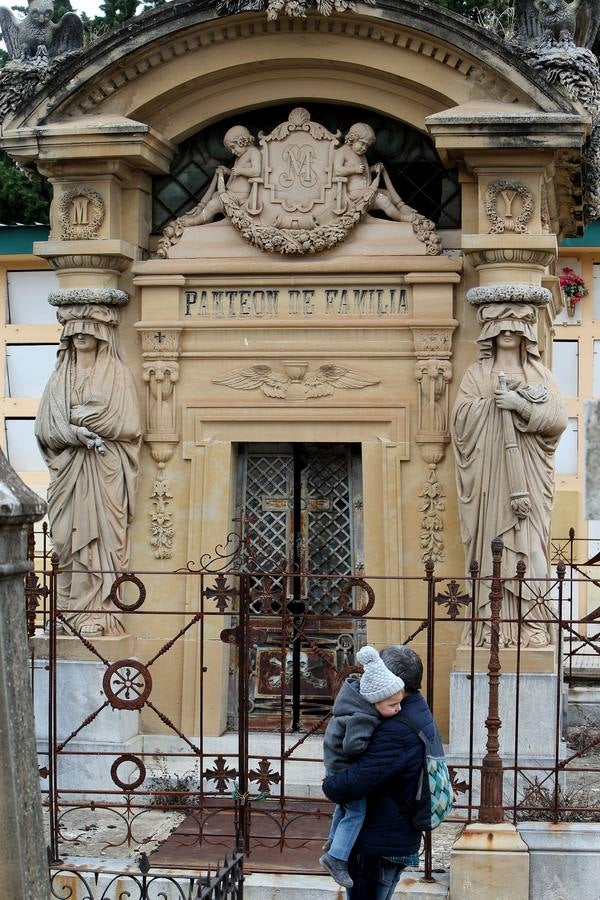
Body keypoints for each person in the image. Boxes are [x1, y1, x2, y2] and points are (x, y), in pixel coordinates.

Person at [451, 301, 567, 647]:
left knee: (529, 548)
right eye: (500, 326)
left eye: (515, 327)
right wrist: (490, 407)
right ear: (489, 332)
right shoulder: (476, 374)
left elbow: (558, 420)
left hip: (528, 476)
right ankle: (492, 625)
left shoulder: (541, 375)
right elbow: (459, 422)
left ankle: (531, 623)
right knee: (492, 549)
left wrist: (519, 406)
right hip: (490, 477)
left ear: (526, 335)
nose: (507, 332)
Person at [35, 302, 141, 636]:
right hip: (68, 469)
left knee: (100, 541)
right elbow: (45, 427)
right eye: (75, 329)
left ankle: (97, 611)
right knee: (67, 540)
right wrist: (75, 431)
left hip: (103, 469)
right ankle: (68, 610)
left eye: (89, 328)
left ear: (101, 334)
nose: (81, 334)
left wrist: (81, 419)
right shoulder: (59, 378)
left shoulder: (118, 374)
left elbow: (127, 424)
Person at [322, 645, 433, 900]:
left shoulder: (396, 728)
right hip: (391, 832)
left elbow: (357, 781)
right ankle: (334, 849)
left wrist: (330, 785)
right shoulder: (416, 710)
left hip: (380, 841)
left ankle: (334, 853)